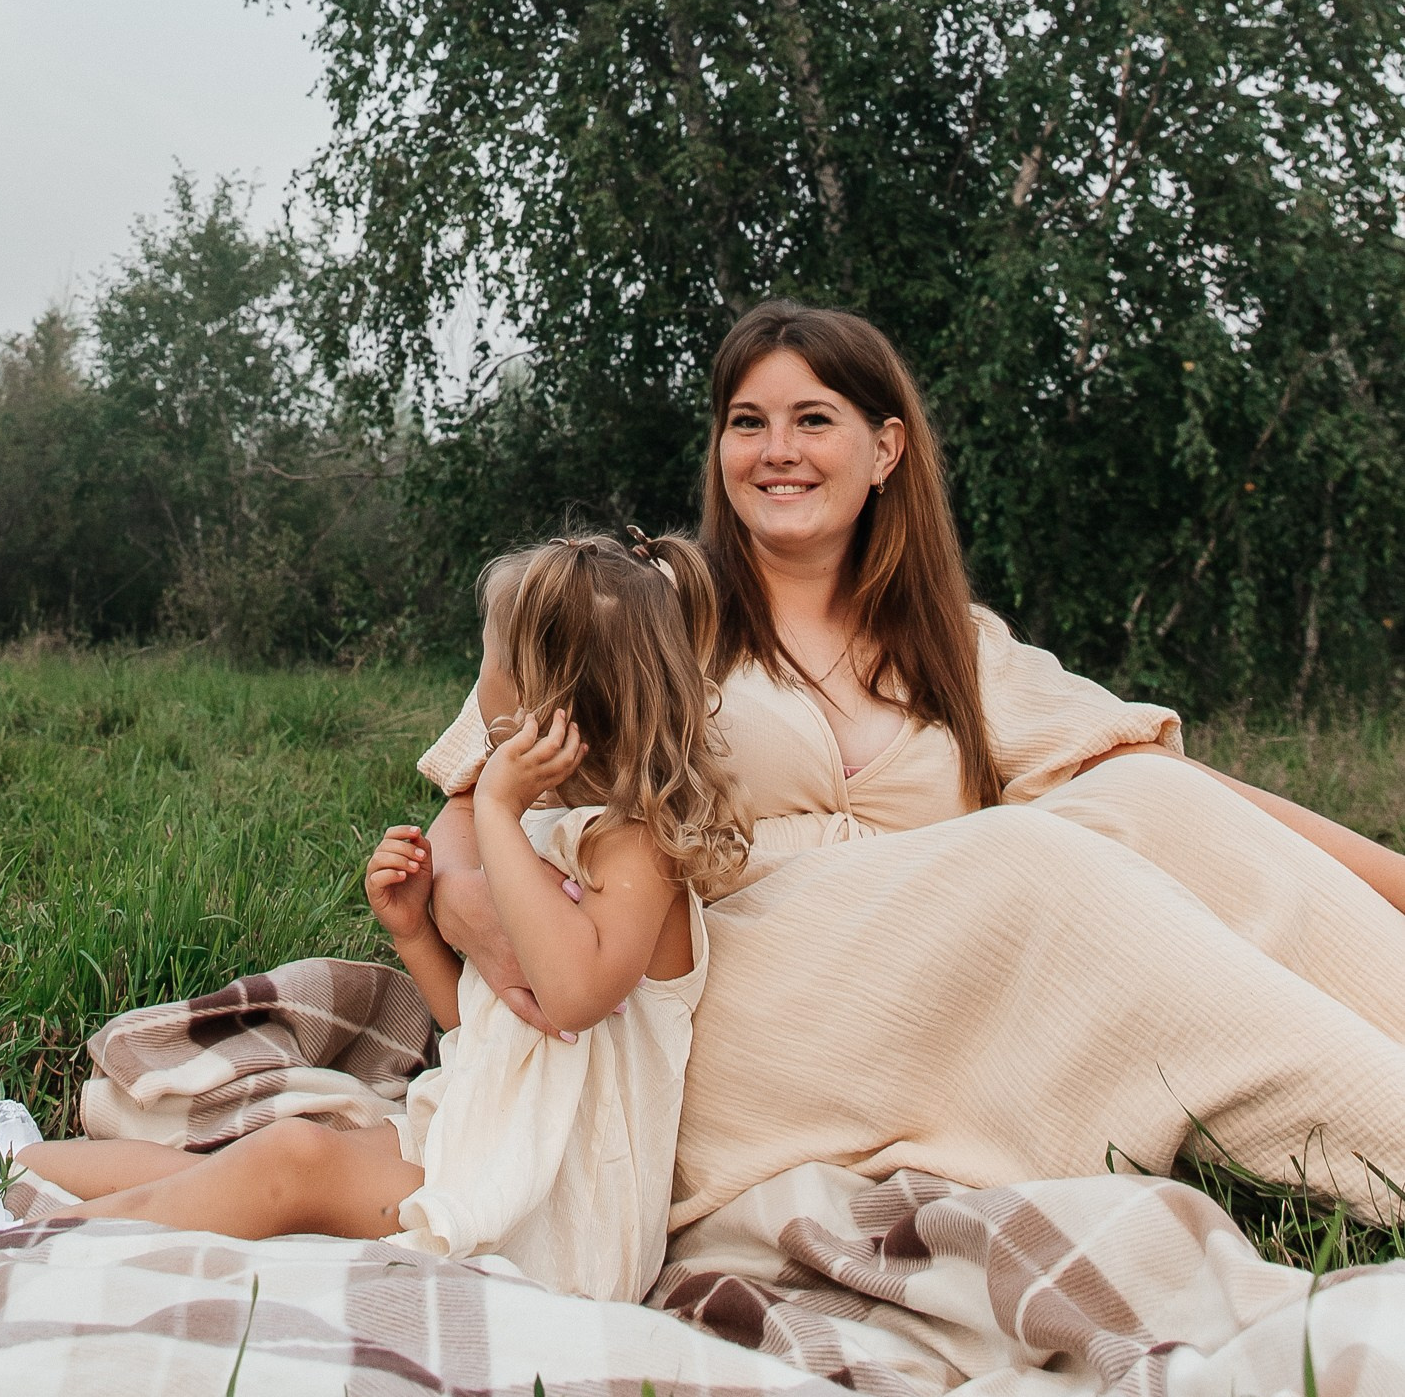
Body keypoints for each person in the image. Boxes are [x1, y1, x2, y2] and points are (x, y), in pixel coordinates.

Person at [426, 302, 1405, 1232]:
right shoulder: (647, 604)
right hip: (727, 1004)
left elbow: (1174, 789)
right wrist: (465, 897)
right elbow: (475, 783)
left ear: (886, 449)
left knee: (1145, 793)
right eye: (746, 422)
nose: (776, 450)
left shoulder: (953, 644)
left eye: (813, 419)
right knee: (1032, 858)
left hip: (927, 1001)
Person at [0, 536, 747, 1301]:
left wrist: (493, 808)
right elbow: (493, 1035)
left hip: (554, 1219)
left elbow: (573, 999)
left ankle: (18, 1252)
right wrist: (413, 933)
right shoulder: (540, 830)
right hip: (479, 1143)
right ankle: (1, 1169)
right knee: (250, 1164)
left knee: (294, 1161)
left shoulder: (638, 847)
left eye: (487, 658)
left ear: (537, 696)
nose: (477, 679)